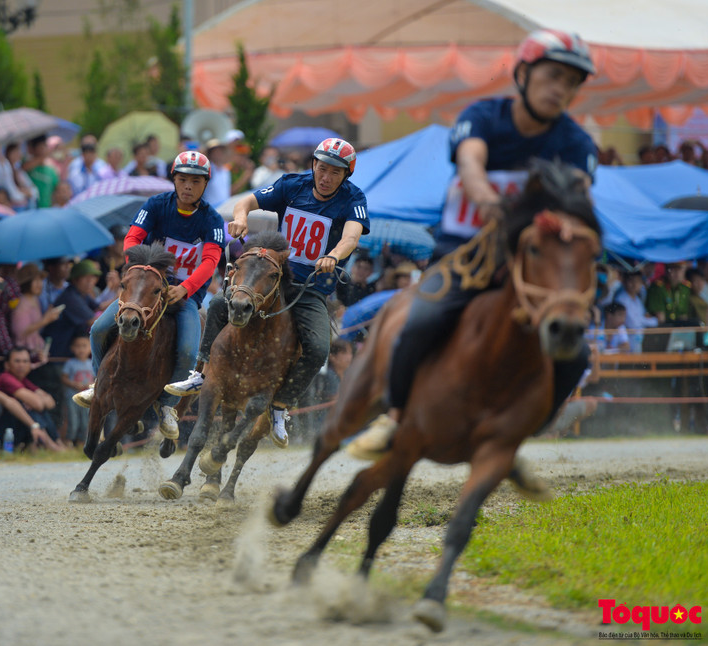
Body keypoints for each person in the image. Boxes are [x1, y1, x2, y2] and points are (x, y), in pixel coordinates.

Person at [350, 29, 599, 458]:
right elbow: (470, 160)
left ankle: (520, 432)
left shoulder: (576, 142)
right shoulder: (483, 116)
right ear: (524, 73)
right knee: (422, 320)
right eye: (553, 75)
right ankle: (394, 416)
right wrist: (486, 199)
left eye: (572, 83)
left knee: (576, 356)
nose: (562, 89)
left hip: (526, 265)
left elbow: (578, 193)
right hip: (463, 253)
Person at [166, 137, 369, 446]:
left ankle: (280, 405)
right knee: (221, 304)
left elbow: (352, 236)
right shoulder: (291, 184)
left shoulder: (354, 199)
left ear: (346, 175)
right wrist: (241, 218)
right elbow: (245, 201)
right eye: (322, 168)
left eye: (335, 173)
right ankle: (202, 373)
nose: (326, 177)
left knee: (318, 347)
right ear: (313, 164)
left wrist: (333, 256)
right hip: (275, 279)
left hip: (310, 289)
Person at [73, 151, 225, 443]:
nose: (188, 187)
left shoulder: (213, 219)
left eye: (195, 181)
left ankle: (168, 408)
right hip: (145, 290)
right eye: (182, 180)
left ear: (205, 185)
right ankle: (97, 384)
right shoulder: (155, 205)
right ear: (174, 180)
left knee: (187, 352)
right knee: (98, 329)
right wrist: (138, 267)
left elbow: (210, 261)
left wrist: (185, 289)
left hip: (183, 297)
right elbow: (132, 238)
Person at [0, 346, 64, 451]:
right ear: (7, 365)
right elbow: (38, 404)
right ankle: (51, 446)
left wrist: (35, 401)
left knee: (34, 408)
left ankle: (57, 443)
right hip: (2, 428)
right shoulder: (6, 378)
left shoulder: (24, 380)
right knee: (29, 408)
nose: (21, 365)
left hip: (19, 426)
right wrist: (35, 401)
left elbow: (51, 402)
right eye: (17, 361)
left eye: (25, 361)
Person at [60, 335, 95, 448]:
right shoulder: (70, 363)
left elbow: (95, 379)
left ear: (90, 348)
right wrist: (73, 384)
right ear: (72, 349)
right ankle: (69, 441)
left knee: (86, 420)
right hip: (72, 397)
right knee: (72, 419)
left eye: (84, 346)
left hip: (87, 398)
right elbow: (64, 378)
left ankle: (81, 442)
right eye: (78, 346)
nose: (81, 349)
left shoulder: (92, 363)